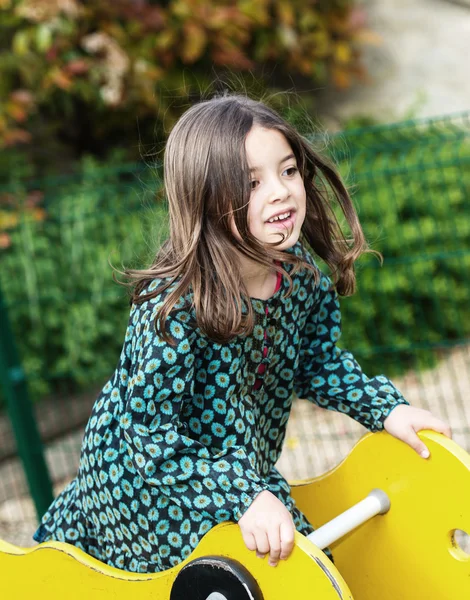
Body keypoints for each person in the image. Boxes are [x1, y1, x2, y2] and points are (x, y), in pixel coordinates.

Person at [33, 94, 451, 574]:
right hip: (146, 491)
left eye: (288, 170)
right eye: (252, 183)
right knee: (276, 571)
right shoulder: (173, 305)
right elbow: (149, 434)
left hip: (235, 475)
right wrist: (246, 494)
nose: (280, 191)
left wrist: (386, 409)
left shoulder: (299, 278)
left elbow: (319, 364)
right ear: (207, 199)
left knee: (305, 564)